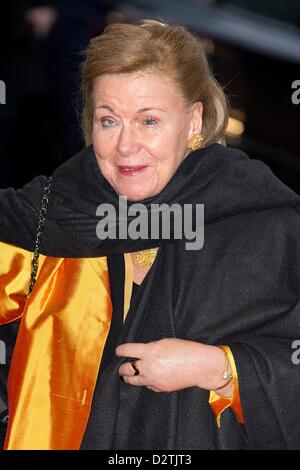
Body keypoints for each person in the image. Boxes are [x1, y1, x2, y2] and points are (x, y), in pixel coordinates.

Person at [0, 19, 300, 450]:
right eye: (109, 121)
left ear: (194, 120)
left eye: (149, 120)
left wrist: (218, 367)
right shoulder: (50, 215)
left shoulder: (265, 225)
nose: (126, 145)